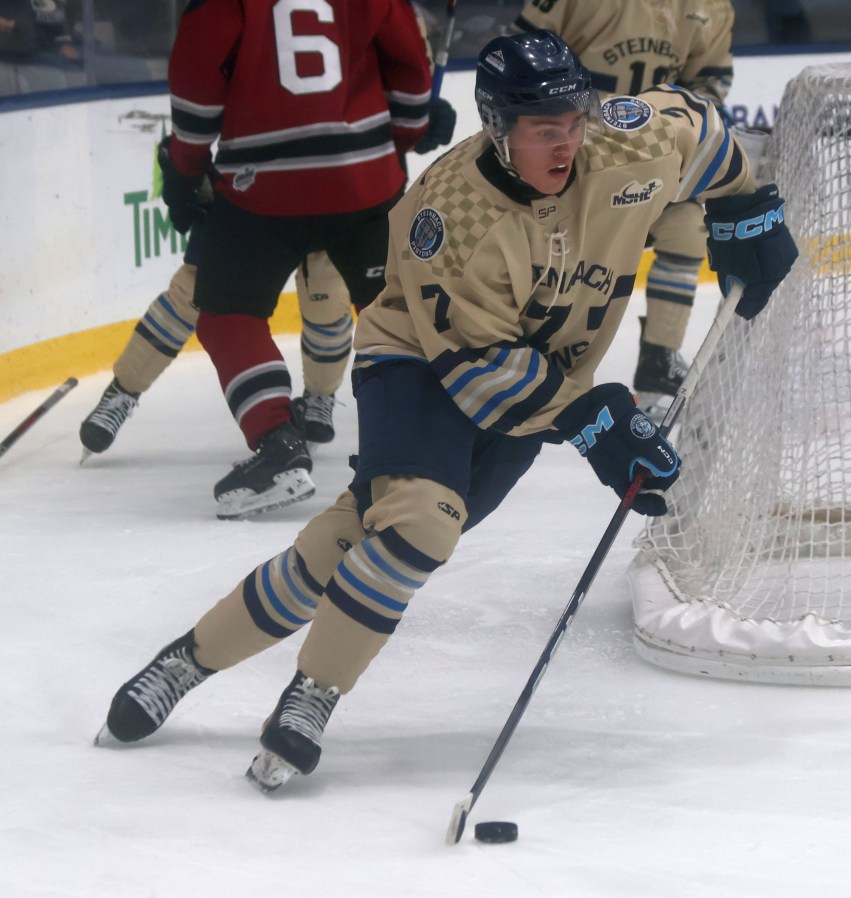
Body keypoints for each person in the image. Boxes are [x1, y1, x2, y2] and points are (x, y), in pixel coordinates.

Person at [95, 31, 797, 793]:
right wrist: (598, 422)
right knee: (422, 525)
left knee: (347, 542)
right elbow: (478, 363)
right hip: (423, 364)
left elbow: (701, 126)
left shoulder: (627, 138)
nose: (566, 143)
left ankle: (184, 661)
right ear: (498, 129)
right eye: (542, 130)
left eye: (573, 121)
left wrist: (744, 206)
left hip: (538, 383)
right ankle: (313, 695)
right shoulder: (453, 210)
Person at [159, 0, 434, 519]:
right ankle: (427, 442)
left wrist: (185, 166)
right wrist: (401, 137)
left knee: (226, 313)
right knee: (394, 309)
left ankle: (275, 441)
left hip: (261, 186)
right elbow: (413, 73)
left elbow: (196, 83)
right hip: (365, 179)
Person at [513, 0, 739, 415]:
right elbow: (519, 57)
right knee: (552, 248)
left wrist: (673, 127)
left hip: (650, 154)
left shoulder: (710, 6)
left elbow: (708, 81)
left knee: (687, 226)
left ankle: (658, 358)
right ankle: (526, 354)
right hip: (570, 148)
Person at [78, 223, 355, 466]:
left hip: (320, 188)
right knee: (193, 292)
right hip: (247, 183)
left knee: (326, 294)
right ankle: (122, 391)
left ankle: (320, 395)